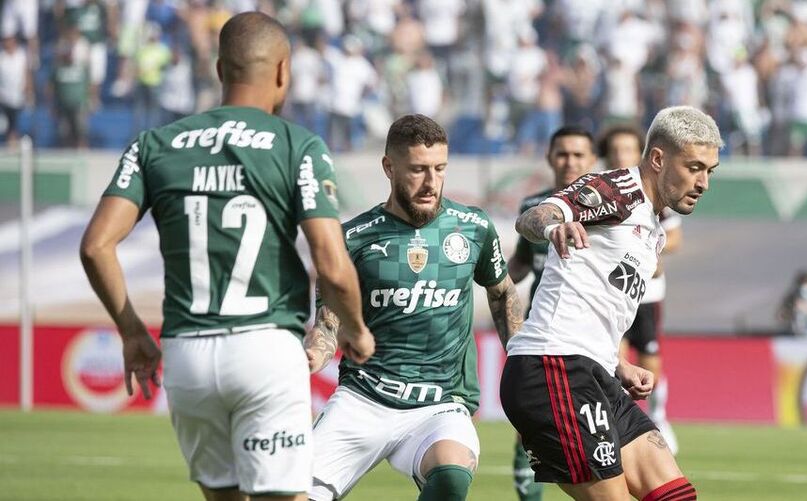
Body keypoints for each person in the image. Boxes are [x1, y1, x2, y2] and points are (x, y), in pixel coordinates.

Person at [79, 12, 372, 501]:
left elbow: (95, 246)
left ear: (219, 70)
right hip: (265, 348)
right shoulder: (297, 146)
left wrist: (132, 332)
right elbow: (330, 260)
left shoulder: (154, 145)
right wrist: (358, 330)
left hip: (187, 353)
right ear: (283, 71)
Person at [502, 105, 721, 500]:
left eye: (710, 170)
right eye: (694, 167)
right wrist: (555, 225)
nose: (703, 182)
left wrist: (617, 364)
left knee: (677, 497)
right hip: (553, 368)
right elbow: (535, 216)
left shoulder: (654, 228)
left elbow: (591, 299)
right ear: (657, 158)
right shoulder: (618, 190)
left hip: (595, 373)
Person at [306, 114, 524, 501]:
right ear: (389, 167)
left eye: (440, 169)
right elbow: (328, 323)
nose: (431, 183)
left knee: (452, 475)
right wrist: (312, 354)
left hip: (439, 404)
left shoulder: (472, 227)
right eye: (418, 170)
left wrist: (525, 359)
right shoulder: (352, 239)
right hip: (363, 398)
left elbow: (502, 293)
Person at [508, 125, 599, 501]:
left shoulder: (607, 211)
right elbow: (521, 262)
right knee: (530, 427)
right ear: (549, 158)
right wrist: (481, 278)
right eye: (562, 153)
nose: (569, 161)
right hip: (541, 330)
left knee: (596, 426)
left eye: (578, 155)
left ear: (592, 161)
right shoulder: (534, 207)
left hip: (592, 333)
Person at [598, 124, 683, 455]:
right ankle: (612, 420)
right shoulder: (601, 190)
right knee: (610, 357)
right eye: (615, 149)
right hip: (610, 291)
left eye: (628, 149)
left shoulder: (656, 190)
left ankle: (658, 416)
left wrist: (652, 253)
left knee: (649, 358)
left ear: (642, 154)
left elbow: (674, 236)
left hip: (647, 293)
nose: (621, 155)